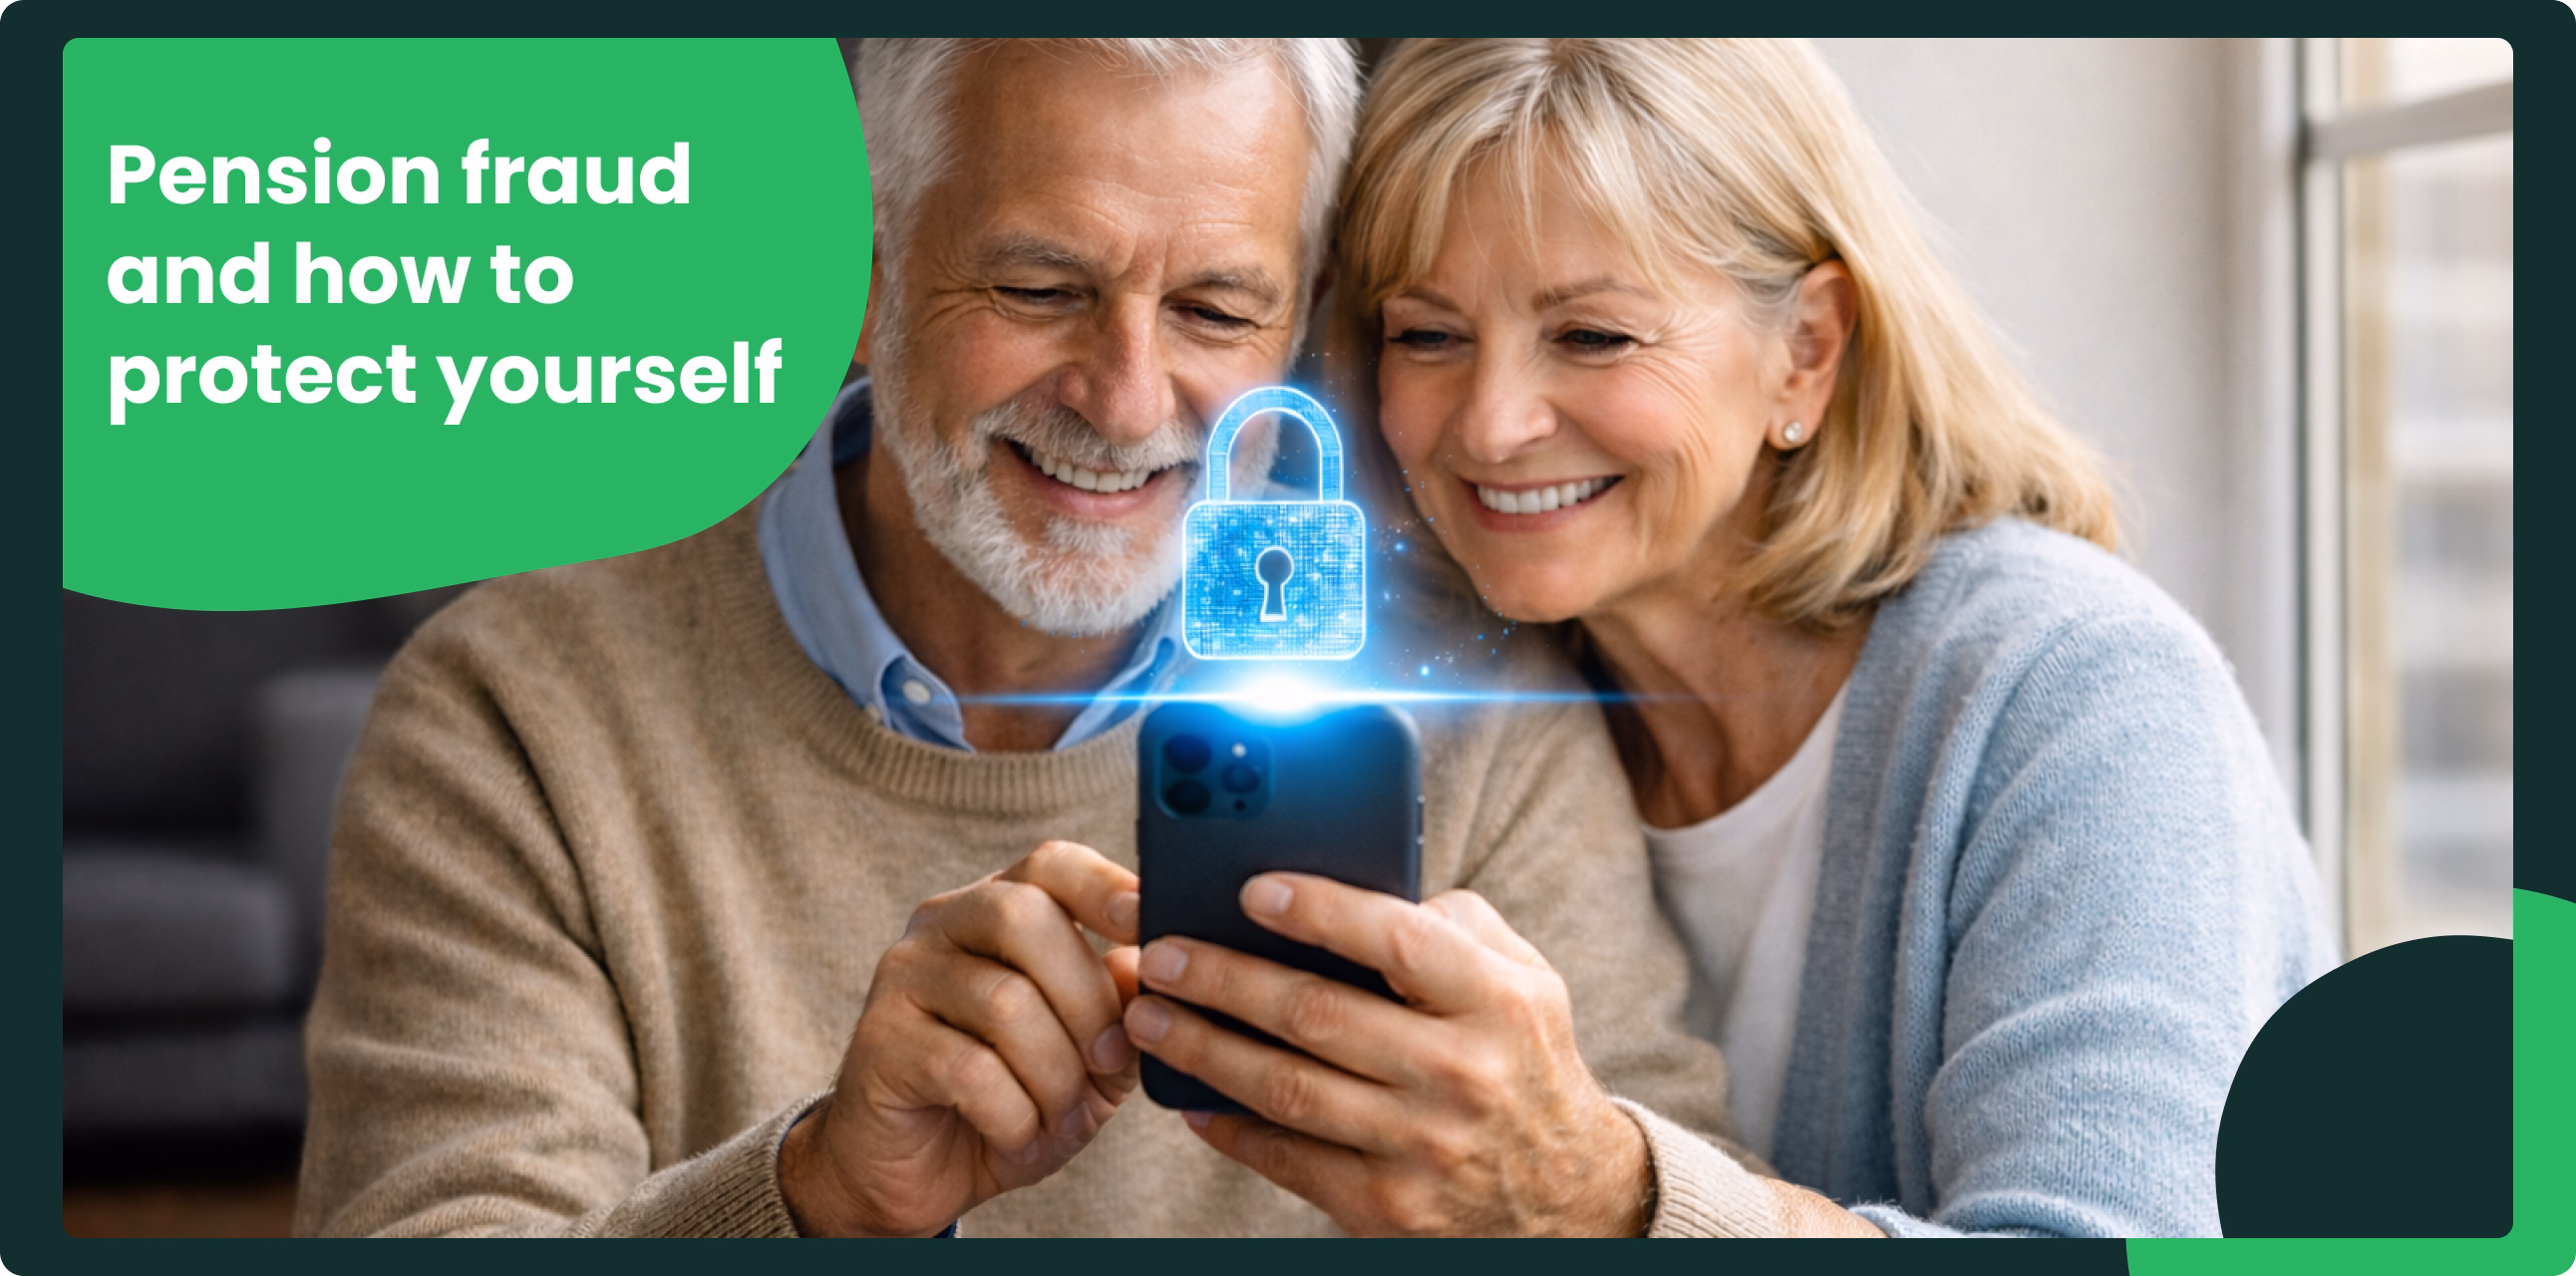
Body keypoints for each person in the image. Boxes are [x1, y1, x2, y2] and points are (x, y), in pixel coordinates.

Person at [292, 38, 1747, 1238]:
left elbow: (1656, 1170)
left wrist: (1576, 1194)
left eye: (1215, 309)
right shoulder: (518, 715)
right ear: (853, 287)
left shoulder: (1466, 708)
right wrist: (819, 1201)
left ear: (1296, 330)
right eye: (1039, 290)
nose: (1125, 402)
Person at [1117, 38, 2337, 1237]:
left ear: (1804, 351)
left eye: (1592, 335)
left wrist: (1608, 1199)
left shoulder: (2082, 697)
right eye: (1427, 334)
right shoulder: (1444, 709)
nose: (1489, 425)